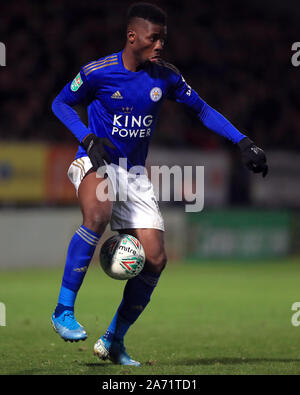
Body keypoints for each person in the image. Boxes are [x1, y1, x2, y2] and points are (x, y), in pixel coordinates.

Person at [51, 2, 268, 366]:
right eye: (154, 38)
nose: (160, 45)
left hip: (133, 175)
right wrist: (87, 137)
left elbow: (202, 109)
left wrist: (243, 141)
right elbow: (60, 103)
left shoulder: (165, 76)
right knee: (97, 214)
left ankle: (114, 340)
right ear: (132, 36)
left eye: (163, 39)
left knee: (155, 259)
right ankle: (63, 311)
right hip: (96, 159)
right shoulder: (98, 73)